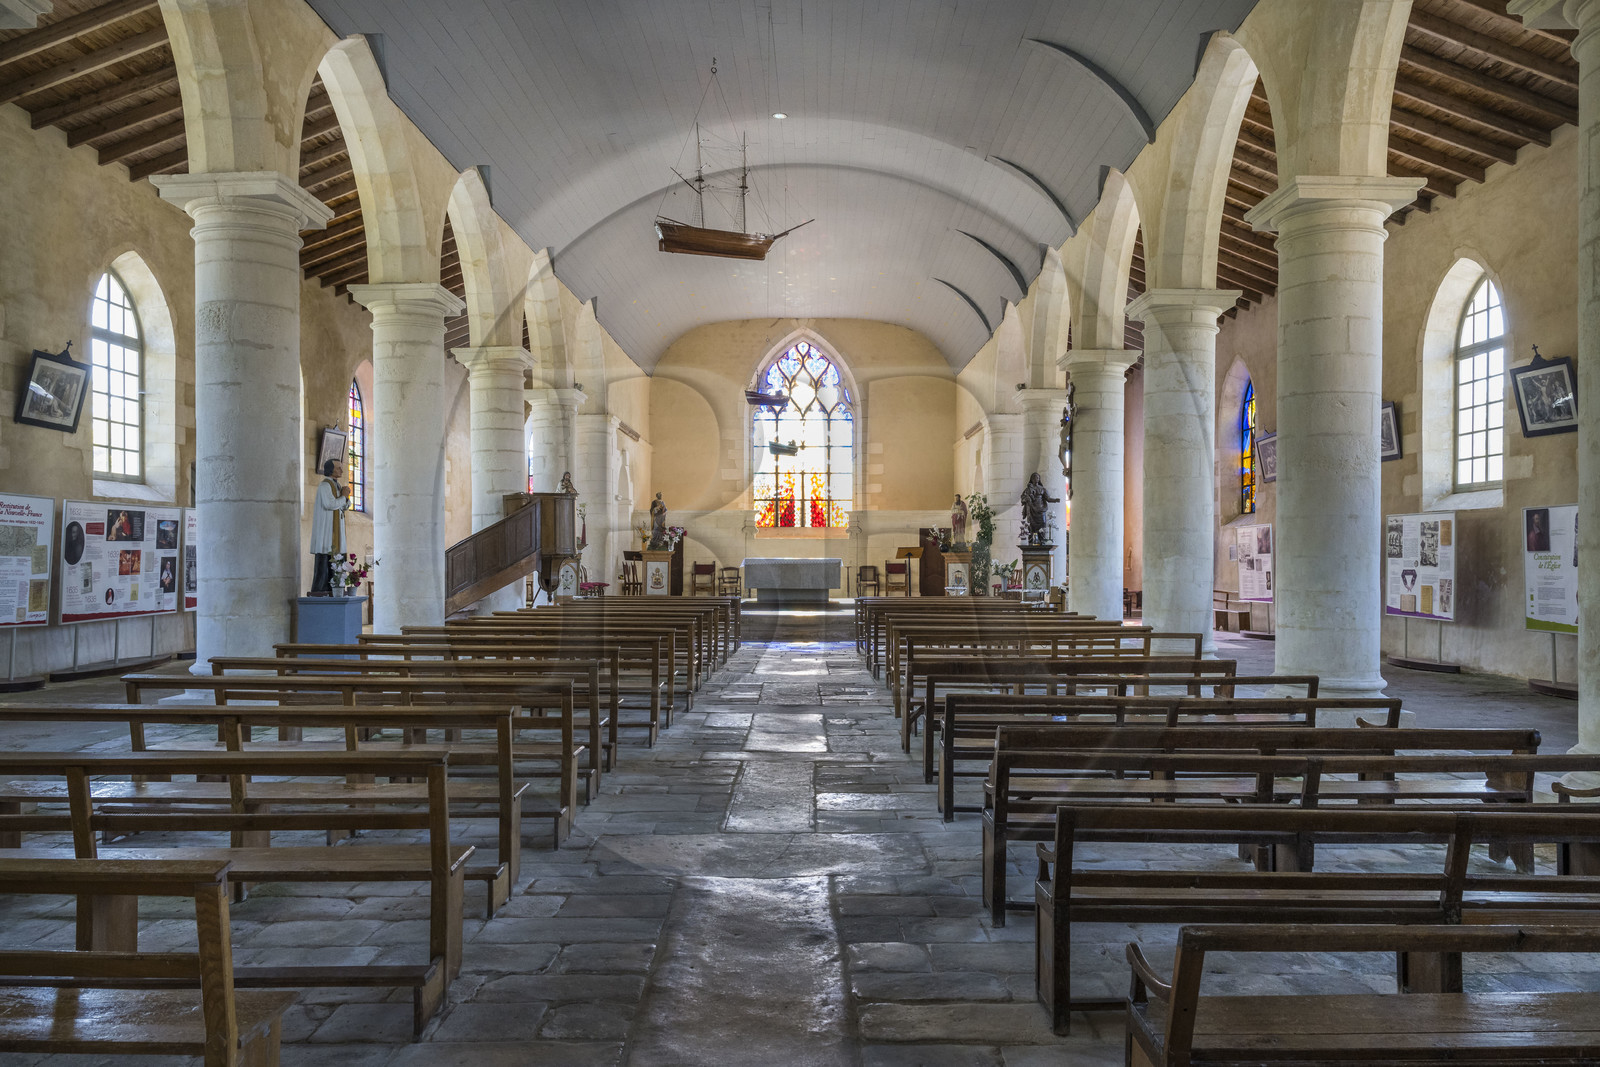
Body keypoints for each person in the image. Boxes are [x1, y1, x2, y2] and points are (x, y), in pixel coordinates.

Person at [310, 458, 349, 594]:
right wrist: (343, 497)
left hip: (337, 529)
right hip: (327, 531)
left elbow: (342, 506)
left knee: (338, 560)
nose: (341, 470)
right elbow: (330, 504)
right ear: (330, 470)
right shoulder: (325, 486)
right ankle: (321, 590)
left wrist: (346, 498)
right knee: (325, 561)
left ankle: (337, 588)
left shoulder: (337, 486)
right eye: (338, 468)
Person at [1020, 473, 1060, 546]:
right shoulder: (1028, 489)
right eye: (1034, 478)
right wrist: (1027, 499)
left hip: (1041, 509)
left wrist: (1055, 500)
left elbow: (1048, 498)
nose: (1036, 479)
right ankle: (1031, 540)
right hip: (1031, 509)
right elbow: (1023, 497)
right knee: (1031, 526)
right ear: (1031, 479)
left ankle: (1042, 540)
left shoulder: (1042, 489)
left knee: (1042, 524)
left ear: (1039, 479)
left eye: (1038, 478)